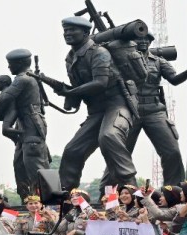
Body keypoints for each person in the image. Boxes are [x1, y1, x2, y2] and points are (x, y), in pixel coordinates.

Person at [102, 34, 187, 188]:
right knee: (119, 152)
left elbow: (174, 79)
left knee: (172, 151)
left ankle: (173, 190)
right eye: (140, 39)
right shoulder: (122, 61)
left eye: (147, 40)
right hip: (130, 110)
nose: (144, 42)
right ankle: (110, 191)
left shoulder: (158, 61)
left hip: (154, 110)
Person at [56, 17, 137, 191]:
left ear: (86, 33)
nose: (67, 34)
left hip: (116, 105)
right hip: (96, 111)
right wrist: (68, 96)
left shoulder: (99, 52)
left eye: (72, 30)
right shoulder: (70, 58)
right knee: (73, 150)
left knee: (108, 136)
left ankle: (130, 187)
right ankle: (65, 195)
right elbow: (79, 87)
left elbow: (100, 83)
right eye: (65, 31)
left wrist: (71, 92)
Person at [0, 49, 50, 200]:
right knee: (20, 165)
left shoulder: (22, 79)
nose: (8, 68)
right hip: (24, 124)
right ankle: (28, 201)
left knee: (35, 164)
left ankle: (47, 203)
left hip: (31, 125)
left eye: (10, 64)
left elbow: (5, 97)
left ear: (19, 64)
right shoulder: (27, 77)